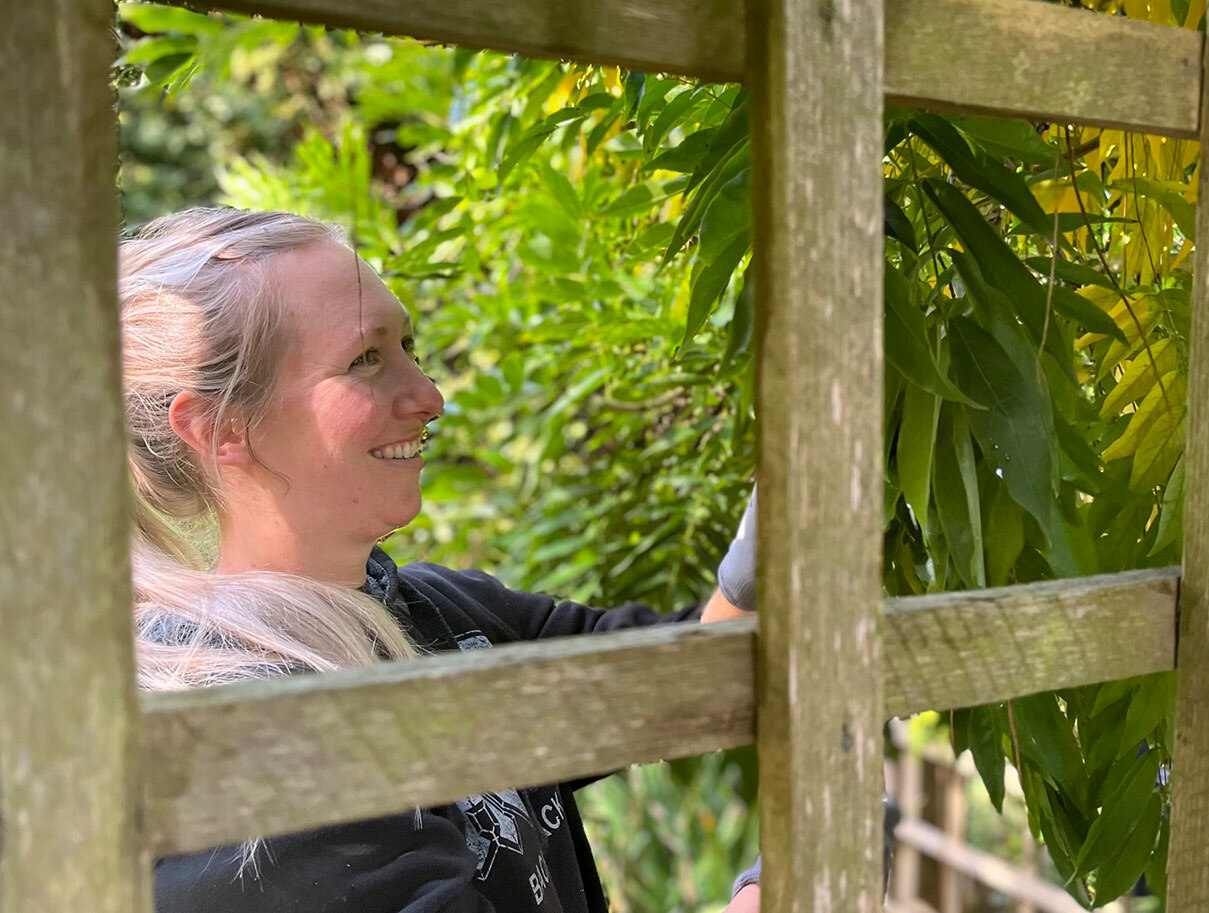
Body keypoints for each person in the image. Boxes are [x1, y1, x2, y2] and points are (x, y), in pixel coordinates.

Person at [121, 207, 756, 912]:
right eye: (366, 359)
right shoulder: (243, 735)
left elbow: (689, 675)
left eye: (408, 347)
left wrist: (782, 519)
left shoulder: (442, 613)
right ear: (221, 428)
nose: (429, 396)